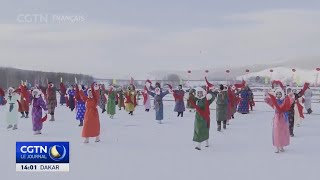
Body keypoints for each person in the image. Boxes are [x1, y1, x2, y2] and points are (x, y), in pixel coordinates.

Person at [264, 88, 294, 153]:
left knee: (282, 132)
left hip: (283, 118)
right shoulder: (274, 101)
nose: (278, 95)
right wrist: (266, 94)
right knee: (276, 132)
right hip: (277, 118)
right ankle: (277, 147)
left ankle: (281, 146)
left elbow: (290, 101)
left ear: (282, 94)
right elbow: (267, 100)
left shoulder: (284, 100)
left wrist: (291, 96)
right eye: (277, 94)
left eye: (279, 94)